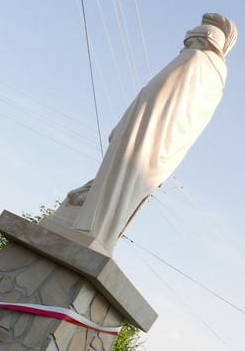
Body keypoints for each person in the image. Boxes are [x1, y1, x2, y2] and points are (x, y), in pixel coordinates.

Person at [44, 13, 237, 253]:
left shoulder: (195, 60)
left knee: (114, 183)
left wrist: (124, 126)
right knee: (124, 192)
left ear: (204, 39)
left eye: (191, 40)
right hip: (163, 153)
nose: (186, 46)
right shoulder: (214, 83)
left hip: (143, 135)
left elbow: (150, 99)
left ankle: (88, 228)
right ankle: (97, 231)